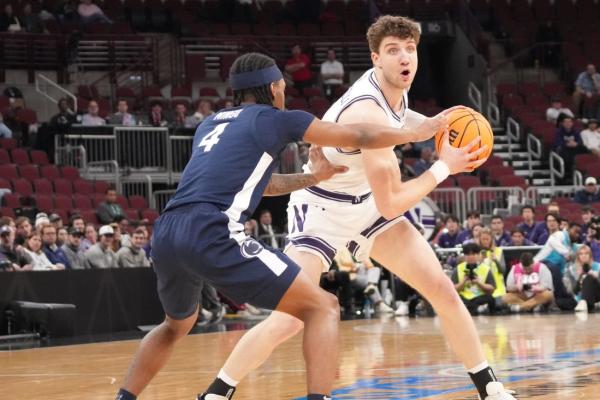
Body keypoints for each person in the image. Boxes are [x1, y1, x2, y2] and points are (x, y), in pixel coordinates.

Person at [114, 50, 460, 400]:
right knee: (322, 307)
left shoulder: (211, 124)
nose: (284, 91)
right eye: (282, 86)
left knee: (175, 325)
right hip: (211, 229)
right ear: (274, 87)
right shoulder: (276, 119)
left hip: (168, 230)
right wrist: (416, 132)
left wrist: (312, 177)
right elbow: (359, 136)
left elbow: (259, 183)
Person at [200, 18, 514, 400]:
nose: (404, 57)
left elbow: (400, 121)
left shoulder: (394, 89)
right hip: (322, 210)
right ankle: (217, 392)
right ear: (375, 59)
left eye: (410, 49)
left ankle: (489, 388)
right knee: (289, 319)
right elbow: (392, 202)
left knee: (442, 290)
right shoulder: (367, 110)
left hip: (364, 204)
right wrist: (444, 166)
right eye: (393, 50)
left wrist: (434, 125)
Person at [534, 221, 581, 309]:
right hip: (541, 264)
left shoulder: (574, 247)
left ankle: (558, 302)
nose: (577, 235)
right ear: (568, 229)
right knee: (554, 268)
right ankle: (557, 299)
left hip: (558, 275)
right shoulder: (560, 235)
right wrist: (566, 253)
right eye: (575, 231)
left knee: (570, 298)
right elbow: (552, 241)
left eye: (579, 233)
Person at [452, 243, 496, 315]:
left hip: (479, 297)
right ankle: (475, 309)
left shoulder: (485, 268)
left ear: (478, 255)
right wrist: (463, 282)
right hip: (464, 297)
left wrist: (479, 283)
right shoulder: (458, 269)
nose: (471, 257)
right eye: (468, 254)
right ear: (464, 256)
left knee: (490, 298)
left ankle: (471, 309)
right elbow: (452, 289)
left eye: (473, 254)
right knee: (453, 299)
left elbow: (492, 289)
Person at [565, 245, 600, 312]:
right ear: (578, 256)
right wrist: (579, 276)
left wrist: (595, 275)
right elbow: (573, 290)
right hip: (579, 297)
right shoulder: (572, 269)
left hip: (596, 294)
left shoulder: (598, 266)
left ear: (590, 255)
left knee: (589, 277)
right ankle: (585, 303)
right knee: (561, 301)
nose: (584, 256)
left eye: (586, 253)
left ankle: (585, 302)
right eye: (581, 254)